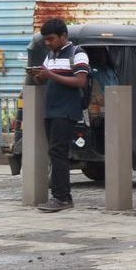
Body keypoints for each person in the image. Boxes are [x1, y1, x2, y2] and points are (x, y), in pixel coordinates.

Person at [27, 18, 90, 212]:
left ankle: (61, 197)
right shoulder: (50, 55)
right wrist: (38, 76)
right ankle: (62, 196)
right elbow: (46, 81)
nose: (48, 43)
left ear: (64, 36)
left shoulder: (78, 54)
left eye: (51, 39)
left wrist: (50, 75)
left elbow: (80, 81)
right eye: (45, 40)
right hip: (52, 110)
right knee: (55, 152)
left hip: (66, 110)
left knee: (58, 152)